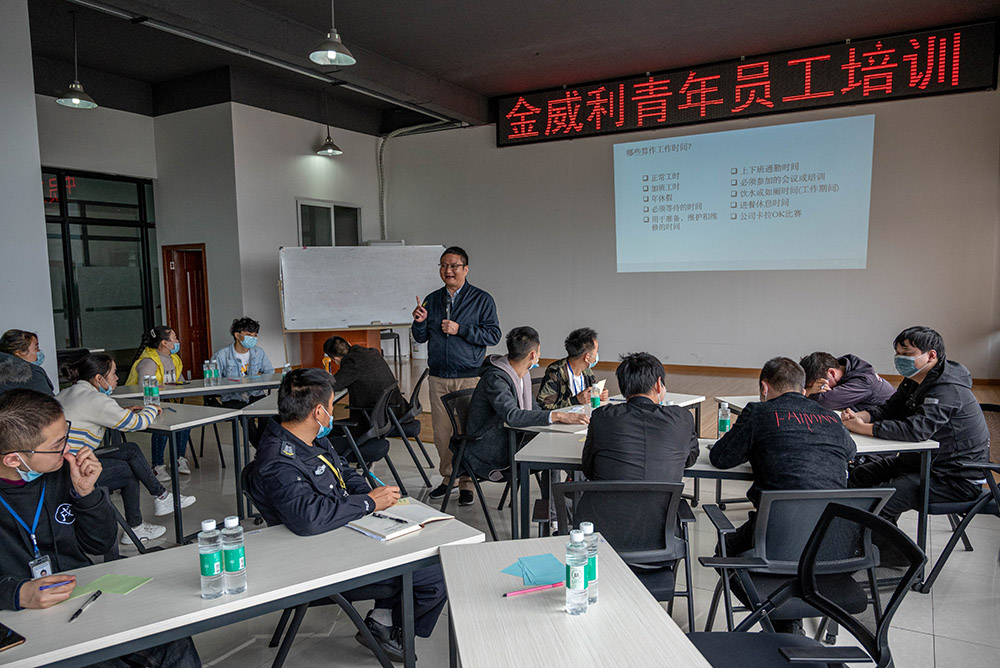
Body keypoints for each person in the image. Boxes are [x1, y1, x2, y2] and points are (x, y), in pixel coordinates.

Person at [247, 369, 446, 663]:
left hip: (347, 530)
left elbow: (344, 471)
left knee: (422, 542)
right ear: (317, 411)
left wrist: (371, 496)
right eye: (330, 408)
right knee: (436, 574)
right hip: (322, 557)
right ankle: (390, 627)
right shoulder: (277, 460)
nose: (331, 414)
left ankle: (382, 619)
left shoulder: (309, 437)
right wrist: (366, 503)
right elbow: (308, 518)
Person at [0, 389, 200, 666]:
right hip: (19, 621)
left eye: (66, 435)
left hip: (82, 598)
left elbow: (100, 544)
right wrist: (16, 593)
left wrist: (88, 494)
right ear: (13, 459)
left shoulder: (61, 473)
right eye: (58, 445)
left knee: (172, 640)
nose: (68, 449)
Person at [710, 357, 856, 556]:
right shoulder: (830, 417)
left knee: (724, 551)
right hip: (832, 537)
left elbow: (721, 458)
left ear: (764, 387)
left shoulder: (758, 412)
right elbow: (850, 452)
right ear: (803, 390)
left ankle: (759, 587)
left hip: (777, 532)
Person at [845, 326, 990, 524]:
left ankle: (886, 554)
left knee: (882, 502)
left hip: (953, 478)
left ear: (931, 355)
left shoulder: (948, 389)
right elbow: (888, 410)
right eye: (897, 352)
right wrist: (857, 417)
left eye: (907, 353)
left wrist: (861, 428)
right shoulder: (915, 381)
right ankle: (850, 540)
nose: (899, 358)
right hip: (921, 464)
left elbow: (916, 430)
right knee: (860, 475)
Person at [58, 354, 195, 544]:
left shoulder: (67, 393)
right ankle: (139, 524)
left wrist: (124, 411)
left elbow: (98, 415)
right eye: (113, 373)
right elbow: (136, 424)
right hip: (71, 472)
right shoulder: (95, 399)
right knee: (129, 470)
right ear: (99, 378)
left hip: (60, 464)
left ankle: (160, 499)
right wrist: (152, 409)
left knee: (129, 450)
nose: (117, 378)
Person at [412, 246, 502, 506]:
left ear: (465, 269)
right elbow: (420, 337)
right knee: (442, 433)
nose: (447, 271)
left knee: (467, 431)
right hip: (439, 376)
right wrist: (418, 321)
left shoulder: (482, 299)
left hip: (469, 377)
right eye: (443, 265)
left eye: (453, 266)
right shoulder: (432, 299)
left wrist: (461, 329)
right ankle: (448, 477)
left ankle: (468, 483)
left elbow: (493, 335)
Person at [464, 327, 589, 483]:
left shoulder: (522, 374)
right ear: (533, 355)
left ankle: (570, 495)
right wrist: (558, 415)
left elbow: (534, 410)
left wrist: (559, 418)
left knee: (559, 446)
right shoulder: (495, 378)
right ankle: (562, 500)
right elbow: (512, 416)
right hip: (489, 448)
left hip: (511, 437)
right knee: (553, 451)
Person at [582, 352, 699, 482]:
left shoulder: (602, 416)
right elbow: (689, 459)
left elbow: (588, 467)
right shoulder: (681, 418)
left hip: (608, 501)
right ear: (658, 384)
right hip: (665, 502)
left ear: (623, 387)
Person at [321, 335, 406, 464]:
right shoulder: (372, 352)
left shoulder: (352, 363)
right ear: (349, 343)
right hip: (390, 413)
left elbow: (334, 385)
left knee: (324, 430)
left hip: (370, 420)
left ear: (336, 359)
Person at [126, 326, 191, 482]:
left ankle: (179, 458)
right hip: (141, 404)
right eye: (174, 338)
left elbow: (181, 382)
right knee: (163, 422)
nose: (177, 341)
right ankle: (157, 466)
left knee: (186, 418)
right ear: (164, 343)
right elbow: (144, 390)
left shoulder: (174, 359)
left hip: (165, 402)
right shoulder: (148, 362)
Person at [211, 317, 274, 445]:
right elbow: (214, 380)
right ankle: (262, 451)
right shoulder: (221, 355)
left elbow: (269, 372)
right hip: (233, 397)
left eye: (255, 335)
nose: (253, 338)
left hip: (256, 394)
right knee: (247, 419)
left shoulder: (259, 352)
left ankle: (261, 450)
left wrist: (255, 380)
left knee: (268, 415)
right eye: (249, 335)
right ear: (237, 335)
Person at [537, 327, 610, 410]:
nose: (597, 355)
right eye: (596, 352)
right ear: (587, 357)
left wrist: (599, 395)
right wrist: (574, 401)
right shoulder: (556, 372)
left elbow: (590, 397)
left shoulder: (587, 372)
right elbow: (543, 405)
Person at [799, 351, 894, 412]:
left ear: (832, 373)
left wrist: (808, 392)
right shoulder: (841, 366)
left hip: (890, 419)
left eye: (819, 386)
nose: (817, 389)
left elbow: (826, 401)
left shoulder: (863, 380)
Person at [0, 330, 54, 395]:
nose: (39, 351)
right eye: (36, 347)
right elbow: (49, 401)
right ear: (19, 352)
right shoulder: (34, 374)